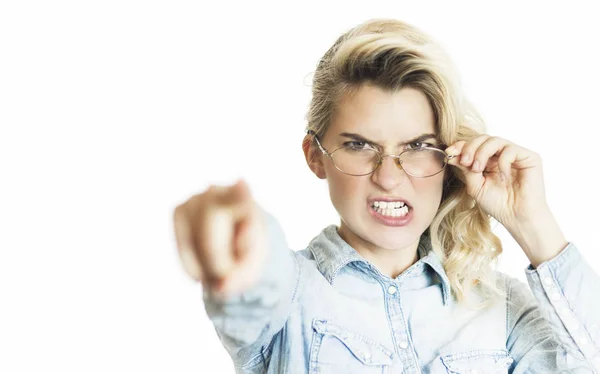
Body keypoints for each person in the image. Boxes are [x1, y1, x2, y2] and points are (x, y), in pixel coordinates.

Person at [173, 18, 600, 373]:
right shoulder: (291, 296)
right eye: (360, 145)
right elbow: (254, 285)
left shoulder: (503, 309)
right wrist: (237, 240)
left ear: (448, 157)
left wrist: (534, 224)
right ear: (315, 156)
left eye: (416, 146)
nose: (390, 178)